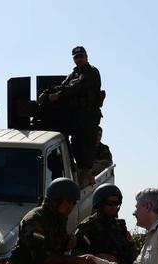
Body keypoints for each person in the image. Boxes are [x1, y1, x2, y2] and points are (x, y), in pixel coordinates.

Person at [46, 46, 103, 188]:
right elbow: (63, 86)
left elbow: (77, 87)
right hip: (77, 116)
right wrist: (47, 93)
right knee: (76, 144)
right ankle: (82, 173)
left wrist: (58, 95)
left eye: (81, 56)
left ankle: (87, 173)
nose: (79, 59)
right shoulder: (74, 74)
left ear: (86, 57)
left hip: (89, 115)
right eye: (76, 57)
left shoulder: (92, 72)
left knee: (86, 144)